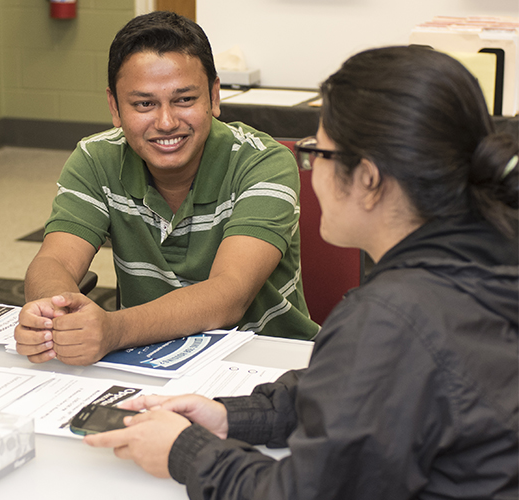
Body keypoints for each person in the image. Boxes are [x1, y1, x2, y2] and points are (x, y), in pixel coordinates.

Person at [84, 45, 518, 499]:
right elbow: (368, 391)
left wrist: (183, 451)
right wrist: (234, 415)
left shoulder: (393, 317)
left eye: (318, 154)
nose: (310, 172)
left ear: (367, 179)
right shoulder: (486, 254)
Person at [14, 11, 319, 366]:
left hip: (265, 366)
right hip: (148, 358)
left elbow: (229, 294)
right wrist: (55, 314)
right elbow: (54, 259)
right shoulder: (96, 158)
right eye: (144, 104)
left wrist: (113, 329)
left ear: (214, 96)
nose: (166, 122)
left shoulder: (264, 162)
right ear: (115, 107)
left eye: (184, 100)